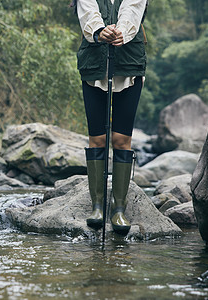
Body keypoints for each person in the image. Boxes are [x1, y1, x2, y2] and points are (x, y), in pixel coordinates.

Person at [75, 0, 147, 234]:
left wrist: (120, 32)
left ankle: (118, 209)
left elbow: (133, 10)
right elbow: (88, 13)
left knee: (121, 140)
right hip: (94, 65)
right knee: (97, 138)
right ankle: (97, 206)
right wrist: (99, 31)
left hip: (129, 63)